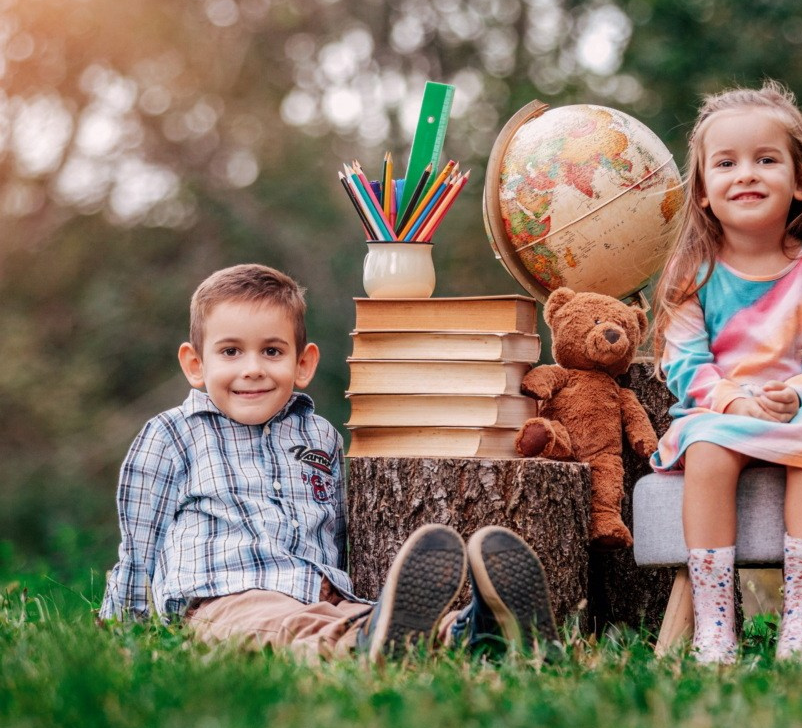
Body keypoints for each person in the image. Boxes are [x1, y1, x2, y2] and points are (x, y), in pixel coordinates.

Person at [100, 263, 557, 662]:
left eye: (273, 351)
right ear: (195, 364)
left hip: (320, 593)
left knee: (352, 615)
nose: (253, 368)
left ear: (304, 363)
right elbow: (141, 543)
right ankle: (362, 643)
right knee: (284, 628)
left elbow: (336, 532)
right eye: (231, 351)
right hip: (224, 598)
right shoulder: (173, 434)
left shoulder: (319, 436)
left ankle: (474, 631)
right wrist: (125, 627)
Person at [651, 82, 802, 663]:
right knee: (705, 452)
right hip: (721, 413)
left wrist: (796, 394)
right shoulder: (691, 271)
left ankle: (801, 622)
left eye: (766, 159)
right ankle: (716, 621)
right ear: (702, 189)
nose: (745, 174)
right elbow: (684, 362)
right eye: (725, 163)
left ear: (801, 181)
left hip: (798, 411)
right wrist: (731, 401)